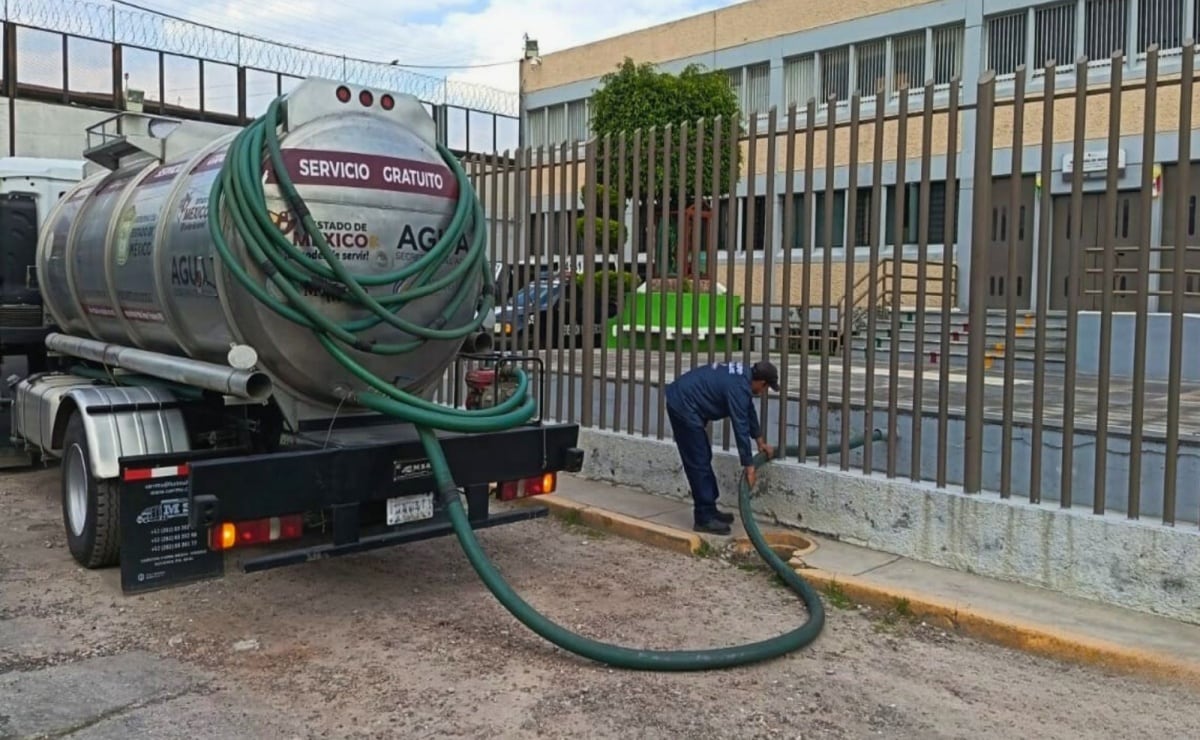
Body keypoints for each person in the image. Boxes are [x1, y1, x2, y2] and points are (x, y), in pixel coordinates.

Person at [664, 360, 779, 535]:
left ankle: (710, 510)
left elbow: (748, 411)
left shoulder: (743, 378)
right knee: (698, 459)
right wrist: (749, 467)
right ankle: (703, 518)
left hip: (687, 401)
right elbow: (740, 427)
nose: (763, 393)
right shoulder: (739, 387)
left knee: (703, 456)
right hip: (683, 405)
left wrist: (760, 442)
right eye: (766, 388)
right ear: (761, 382)